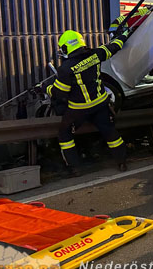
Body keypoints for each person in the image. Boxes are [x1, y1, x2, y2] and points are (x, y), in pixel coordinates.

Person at [48, 30, 129, 176]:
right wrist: (123, 35)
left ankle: (75, 168)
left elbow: (59, 93)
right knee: (109, 131)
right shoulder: (96, 54)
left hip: (78, 110)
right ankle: (122, 162)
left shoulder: (65, 69)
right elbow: (114, 46)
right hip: (100, 105)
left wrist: (44, 88)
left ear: (67, 47)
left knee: (64, 133)